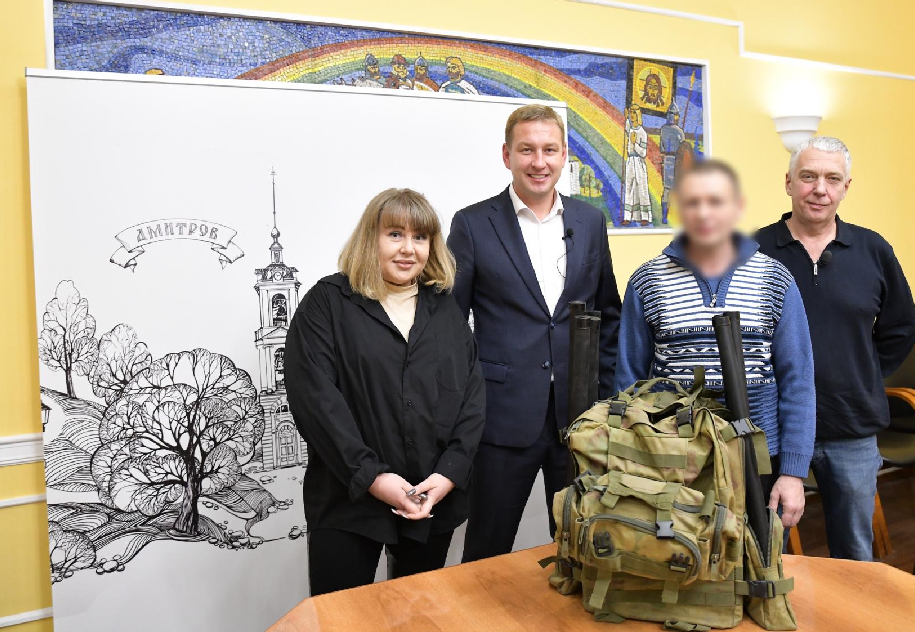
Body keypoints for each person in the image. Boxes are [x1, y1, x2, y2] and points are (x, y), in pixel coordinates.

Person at [285, 188, 485, 594]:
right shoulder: (327, 303)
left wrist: (449, 474)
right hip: (348, 502)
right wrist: (372, 477)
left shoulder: (444, 308)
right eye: (395, 234)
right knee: (341, 617)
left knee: (417, 616)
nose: (408, 248)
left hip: (429, 499)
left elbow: (471, 398)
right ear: (370, 239)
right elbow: (316, 402)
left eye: (420, 237)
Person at [448, 103, 621, 562]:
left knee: (579, 549)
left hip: (580, 418)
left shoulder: (590, 221)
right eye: (527, 150)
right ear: (507, 155)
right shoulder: (472, 224)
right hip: (501, 418)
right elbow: (448, 325)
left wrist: (603, 399)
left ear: (564, 155)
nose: (538, 162)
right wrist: (465, 401)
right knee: (487, 551)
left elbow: (608, 315)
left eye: (549, 150)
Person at [617, 160, 816, 530]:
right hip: (673, 458)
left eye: (716, 201)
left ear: (737, 207)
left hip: (757, 457)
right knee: (680, 559)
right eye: (693, 202)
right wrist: (633, 463)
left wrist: (792, 473)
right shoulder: (647, 281)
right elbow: (628, 383)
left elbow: (798, 381)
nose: (704, 213)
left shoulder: (774, 279)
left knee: (759, 558)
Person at [756, 136, 915, 560]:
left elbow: (901, 327)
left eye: (832, 179)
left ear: (846, 187)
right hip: (772, 429)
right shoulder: (752, 252)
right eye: (808, 177)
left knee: (855, 552)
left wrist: (862, 373)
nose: (819, 189)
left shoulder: (873, 249)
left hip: (852, 426)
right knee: (766, 551)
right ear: (788, 182)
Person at [623, 104, 652, 225]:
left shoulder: (642, 132)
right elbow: (627, 129)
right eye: (630, 113)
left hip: (639, 162)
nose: (632, 115)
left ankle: (644, 217)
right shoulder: (631, 130)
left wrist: (635, 143)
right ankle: (628, 216)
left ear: (638, 115)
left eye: (633, 113)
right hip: (630, 161)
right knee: (629, 188)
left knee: (642, 187)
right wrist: (625, 118)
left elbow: (643, 153)